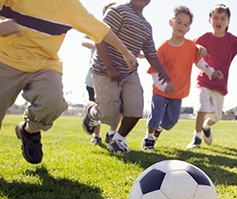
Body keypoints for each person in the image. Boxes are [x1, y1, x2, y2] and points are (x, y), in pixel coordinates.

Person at [0, 0, 137, 164]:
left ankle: (29, 131)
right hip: (5, 60)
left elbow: (101, 30)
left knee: (53, 103)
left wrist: (125, 52)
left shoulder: (70, 6)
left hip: (45, 64)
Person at [82, 0, 171, 154]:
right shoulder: (118, 11)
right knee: (110, 116)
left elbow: (150, 52)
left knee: (136, 110)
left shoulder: (146, 26)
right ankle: (92, 111)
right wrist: (110, 67)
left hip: (129, 73)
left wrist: (162, 70)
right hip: (104, 70)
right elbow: (100, 38)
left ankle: (118, 140)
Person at [142, 6, 223, 151]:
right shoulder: (163, 48)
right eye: (179, 22)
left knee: (171, 121)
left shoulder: (191, 46)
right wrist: (164, 86)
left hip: (178, 92)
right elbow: (154, 72)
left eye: (186, 24)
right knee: (156, 115)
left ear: (189, 29)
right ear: (170, 22)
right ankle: (148, 139)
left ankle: (158, 130)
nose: (182, 26)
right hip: (160, 91)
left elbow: (199, 62)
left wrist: (212, 72)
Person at [186, 4, 237, 149]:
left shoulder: (232, 41)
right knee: (201, 107)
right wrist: (197, 47)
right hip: (203, 80)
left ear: (228, 22)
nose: (219, 21)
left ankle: (206, 126)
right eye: (216, 17)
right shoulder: (203, 38)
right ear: (209, 20)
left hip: (220, 86)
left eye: (223, 18)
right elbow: (187, 47)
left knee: (216, 117)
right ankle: (196, 139)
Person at [81, 1, 123, 146]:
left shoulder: (121, 32)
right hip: (95, 78)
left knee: (120, 107)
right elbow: (83, 41)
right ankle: (96, 135)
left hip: (116, 78)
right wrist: (99, 44)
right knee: (97, 107)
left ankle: (112, 133)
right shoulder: (97, 29)